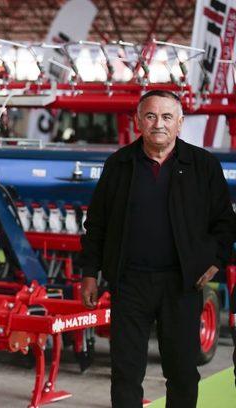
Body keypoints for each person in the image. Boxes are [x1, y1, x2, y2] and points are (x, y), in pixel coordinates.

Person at [78, 89, 236, 408]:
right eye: (150, 116)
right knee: (126, 372)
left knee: (181, 373)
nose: (158, 124)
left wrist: (215, 261)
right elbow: (96, 225)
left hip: (182, 284)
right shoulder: (119, 165)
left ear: (179, 123)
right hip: (130, 284)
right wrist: (89, 274)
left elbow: (225, 222)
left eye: (166, 117)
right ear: (138, 122)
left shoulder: (203, 166)